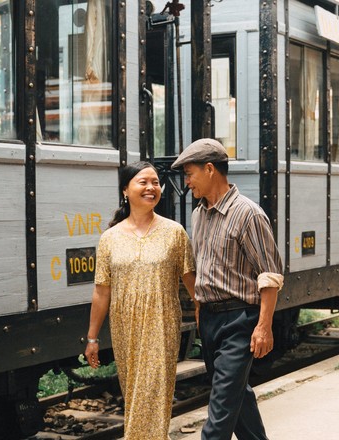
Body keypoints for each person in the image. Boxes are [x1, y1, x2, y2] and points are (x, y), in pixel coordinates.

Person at [171, 138, 284, 440]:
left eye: (190, 173)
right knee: (237, 399)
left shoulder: (248, 214)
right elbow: (205, 270)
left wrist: (264, 325)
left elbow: (270, 275)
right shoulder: (198, 214)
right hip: (209, 320)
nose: (187, 181)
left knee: (220, 412)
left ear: (209, 169)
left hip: (239, 320)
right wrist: (198, 307)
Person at [84, 161, 196, 440]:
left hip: (162, 324)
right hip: (125, 329)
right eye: (143, 182)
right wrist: (92, 338)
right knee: (134, 395)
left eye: (156, 182)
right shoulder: (109, 238)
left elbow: (192, 282)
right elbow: (101, 292)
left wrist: (204, 313)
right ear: (126, 189)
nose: (151, 188)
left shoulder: (175, 233)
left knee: (154, 395)